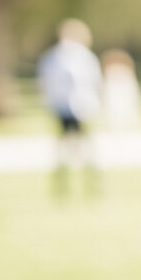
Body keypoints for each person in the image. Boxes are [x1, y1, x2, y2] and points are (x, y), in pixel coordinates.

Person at [36, 18, 103, 195]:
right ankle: (63, 187)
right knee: (64, 149)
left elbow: (94, 82)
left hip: (82, 107)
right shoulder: (56, 57)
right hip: (63, 108)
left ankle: (91, 186)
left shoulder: (84, 57)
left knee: (85, 149)